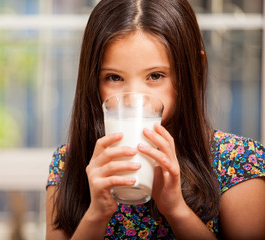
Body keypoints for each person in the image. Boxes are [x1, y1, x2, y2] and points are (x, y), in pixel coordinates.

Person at [45, 0, 265, 239]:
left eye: (155, 75)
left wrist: (176, 210)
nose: (133, 99)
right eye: (114, 77)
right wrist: (97, 214)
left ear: (193, 71)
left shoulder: (239, 163)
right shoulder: (69, 164)